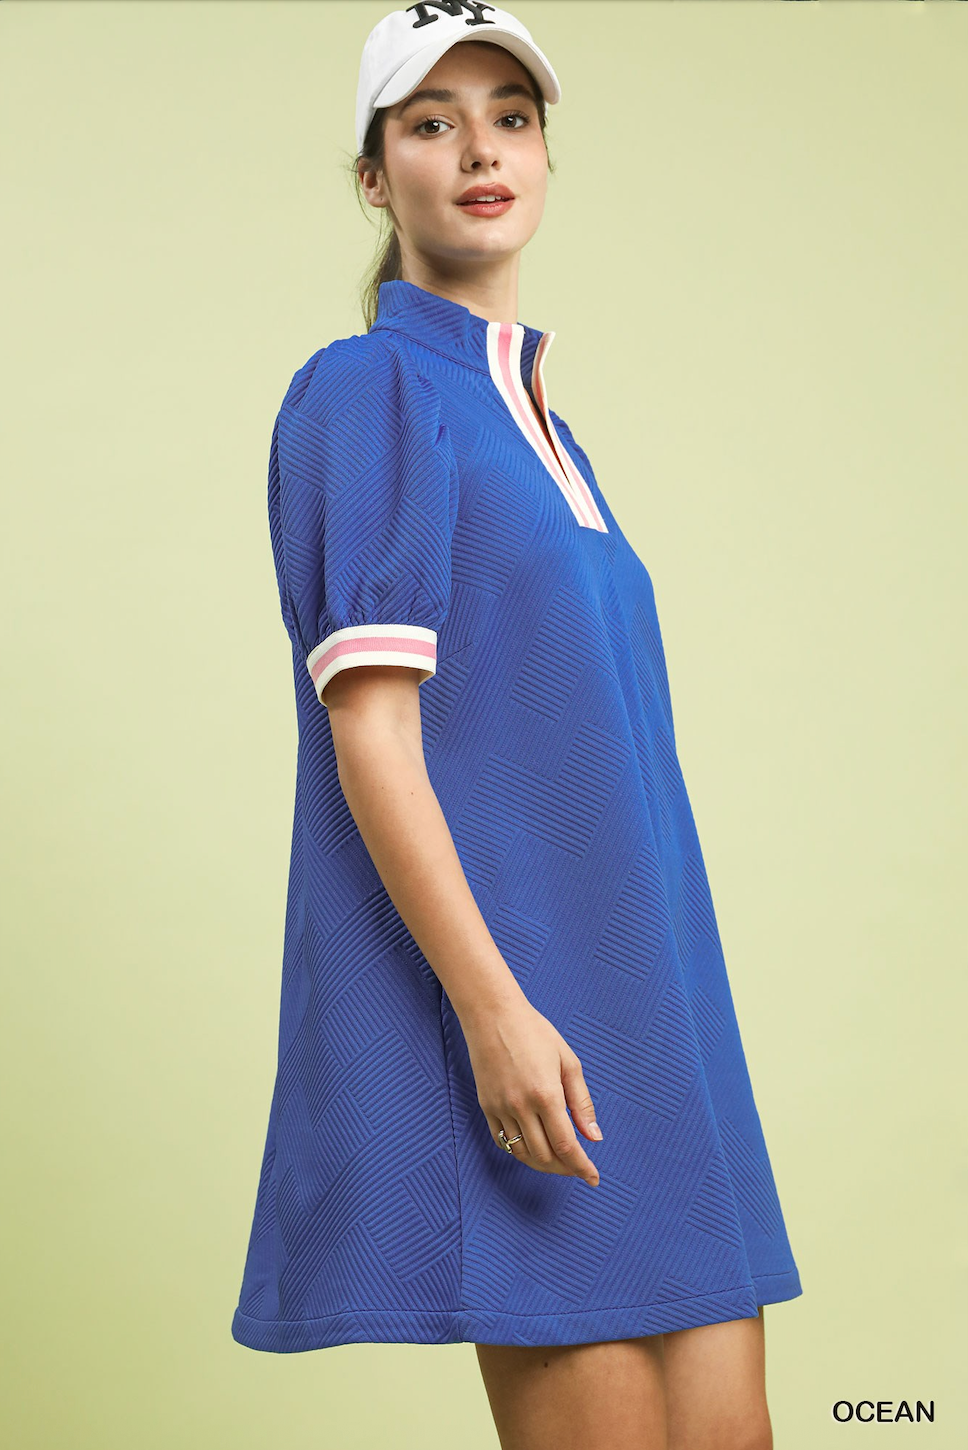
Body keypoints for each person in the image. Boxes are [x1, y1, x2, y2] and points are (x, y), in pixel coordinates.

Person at [231, 5, 802, 1446]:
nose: (479, 147)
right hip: (530, 1020)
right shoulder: (370, 389)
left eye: (510, 114)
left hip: (659, 1020)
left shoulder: (544, 422)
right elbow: (374, 739)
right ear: (373, 177)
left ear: (544, 153)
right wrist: (496, 1015)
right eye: (429, 122)